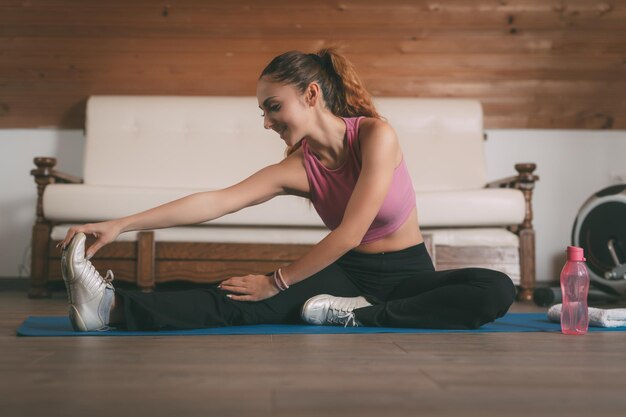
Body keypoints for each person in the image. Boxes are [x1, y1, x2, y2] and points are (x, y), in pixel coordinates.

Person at [57, 48, 516, 332]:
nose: (266, 122)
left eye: (273, 107)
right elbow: (216, 201)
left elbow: (352, 231)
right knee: (239, 301)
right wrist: (120, 224)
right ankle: (110, 308)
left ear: (312, 96)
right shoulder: (298, 168)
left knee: (495, 288)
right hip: (348, 276)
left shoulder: (377, 136)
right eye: (262, 111)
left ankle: (353, 316)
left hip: (410, 276)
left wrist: (277, 280)